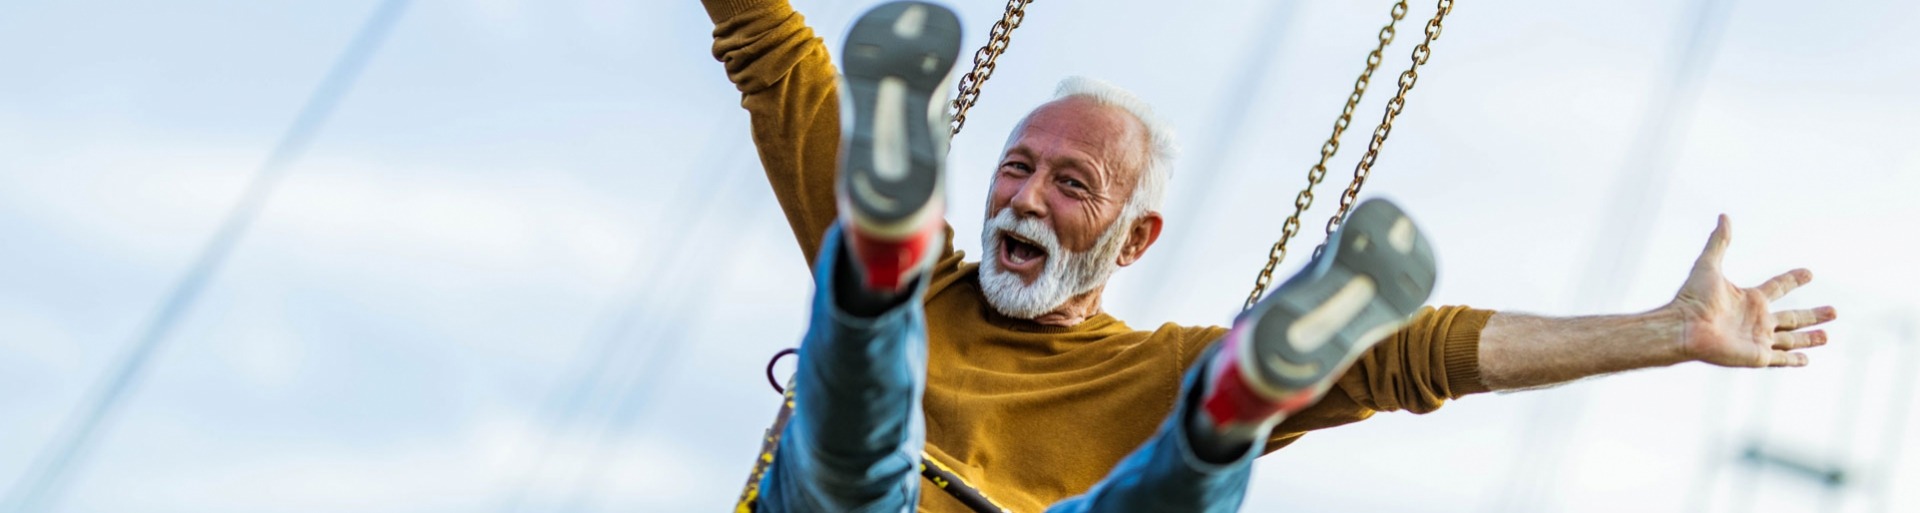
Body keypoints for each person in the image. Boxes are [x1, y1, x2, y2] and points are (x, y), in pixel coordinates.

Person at [702, 1, 1838, 511]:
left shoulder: (1146, 368)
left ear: (1138, 238)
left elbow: (1417, 353)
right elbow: (768, 41)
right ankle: (884, 253)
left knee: (870, 436)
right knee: (863, 423)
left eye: (1070, 183)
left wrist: (1665, 332)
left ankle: (1227, 414)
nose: (1026, 197)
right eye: (1014, 165)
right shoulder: (954, 291)